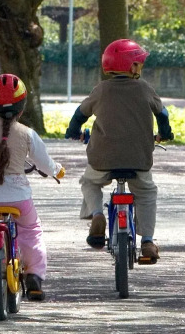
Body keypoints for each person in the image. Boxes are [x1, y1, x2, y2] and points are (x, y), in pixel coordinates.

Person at [65, 38, 174, 263]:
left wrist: (73, 131)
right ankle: (148, 241)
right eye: (138, 63)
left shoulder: (101, 89)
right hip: (139, 159)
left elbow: (80, 113)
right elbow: (162, 114)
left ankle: (97, 215)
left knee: (90, 182)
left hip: (102, 159)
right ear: (132, 66)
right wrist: (165, 133)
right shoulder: (144, 88)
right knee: (146, 192)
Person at [0, 74, 64, 300]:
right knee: (31, 231)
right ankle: (34, 275)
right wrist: (57, 170)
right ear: (22, 108)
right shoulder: (28, 134)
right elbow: (44, 163)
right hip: (19, 199)